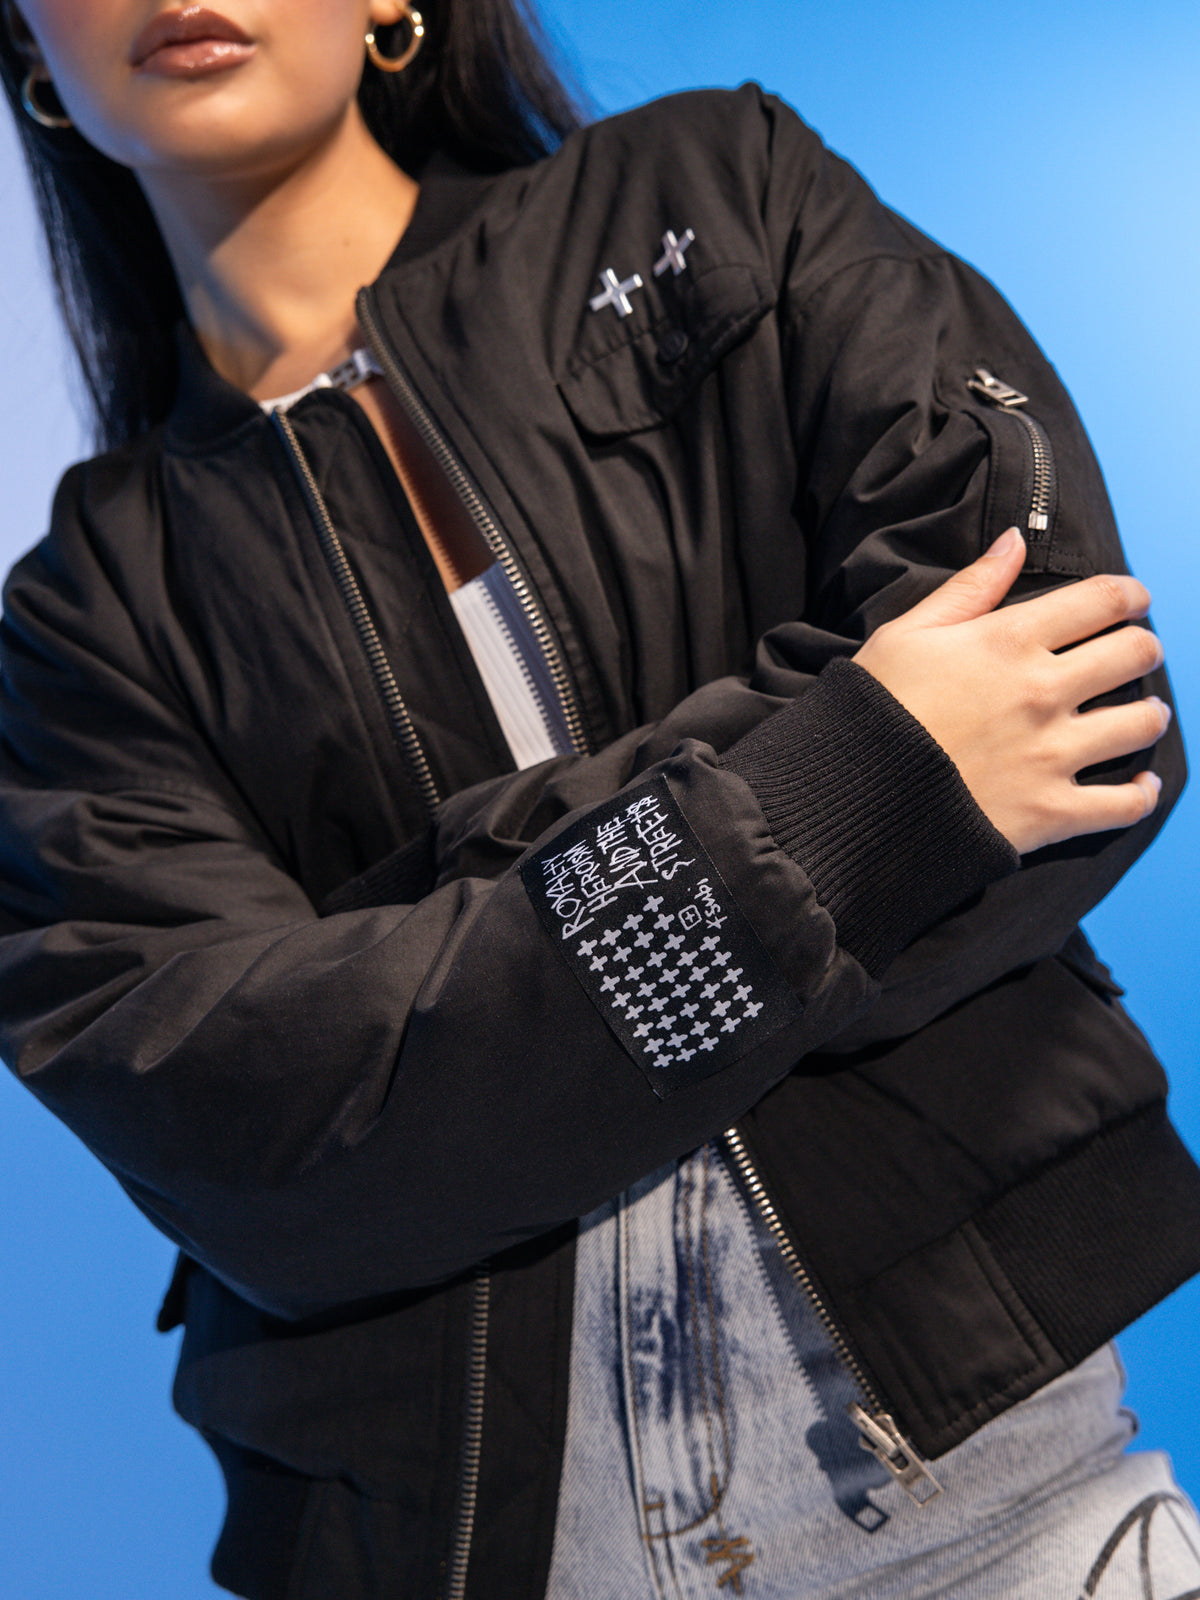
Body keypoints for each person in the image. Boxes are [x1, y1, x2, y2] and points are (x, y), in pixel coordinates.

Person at [0, 2, 1198, 1597]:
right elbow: (258, 1153)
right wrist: (859, 778)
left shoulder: (720, 190)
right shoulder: (80, 620)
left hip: (1010, 1521)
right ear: (29, 50)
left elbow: (1073, 697)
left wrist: (434, 924)